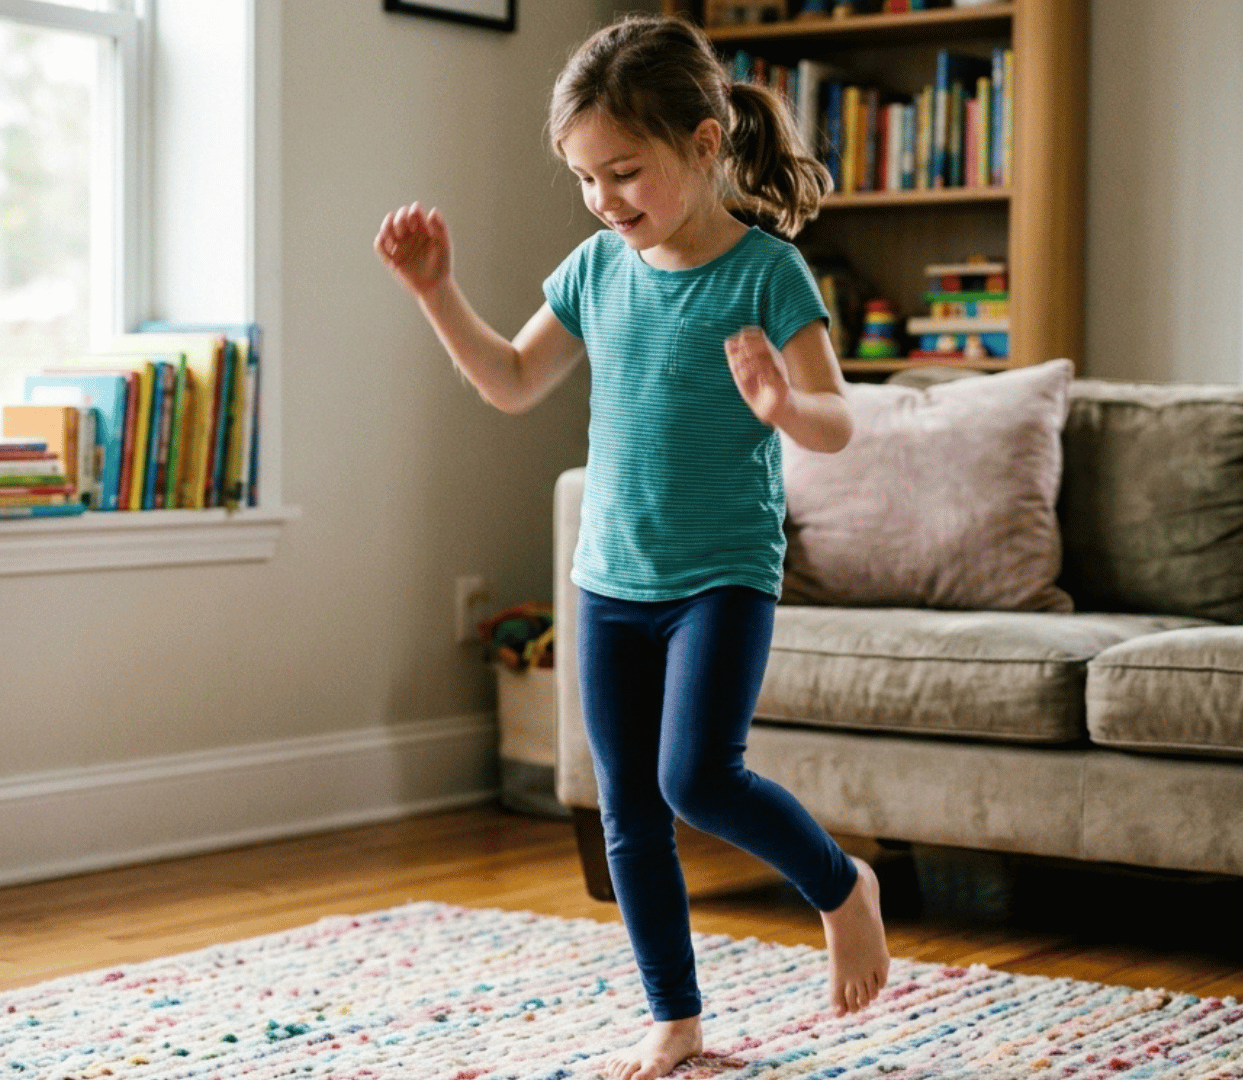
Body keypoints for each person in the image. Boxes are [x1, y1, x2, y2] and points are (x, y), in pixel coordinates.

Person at [374, 14, 889, 1080]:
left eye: (626, 171)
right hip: (609, 575)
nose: (607, 200)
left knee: (698, 778)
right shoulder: (597, 269)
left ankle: (844, 888)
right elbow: (514, 381)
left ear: (705, 145)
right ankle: (677, 1016)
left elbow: (839, 423)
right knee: (628, 810)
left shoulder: (767, 274)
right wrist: (436, 294)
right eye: (585, 178)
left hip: (724, 574)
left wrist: (781, 403)